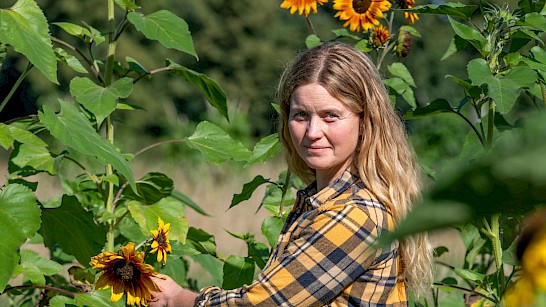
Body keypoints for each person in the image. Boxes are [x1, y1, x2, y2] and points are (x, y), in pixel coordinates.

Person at [149, 42, 433, 306]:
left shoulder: (356, 215)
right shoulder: (325, 201)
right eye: (301, 115)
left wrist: (177, 298)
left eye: (330, 116)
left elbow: (264, 304)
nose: (312, 132)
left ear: (366, 120)